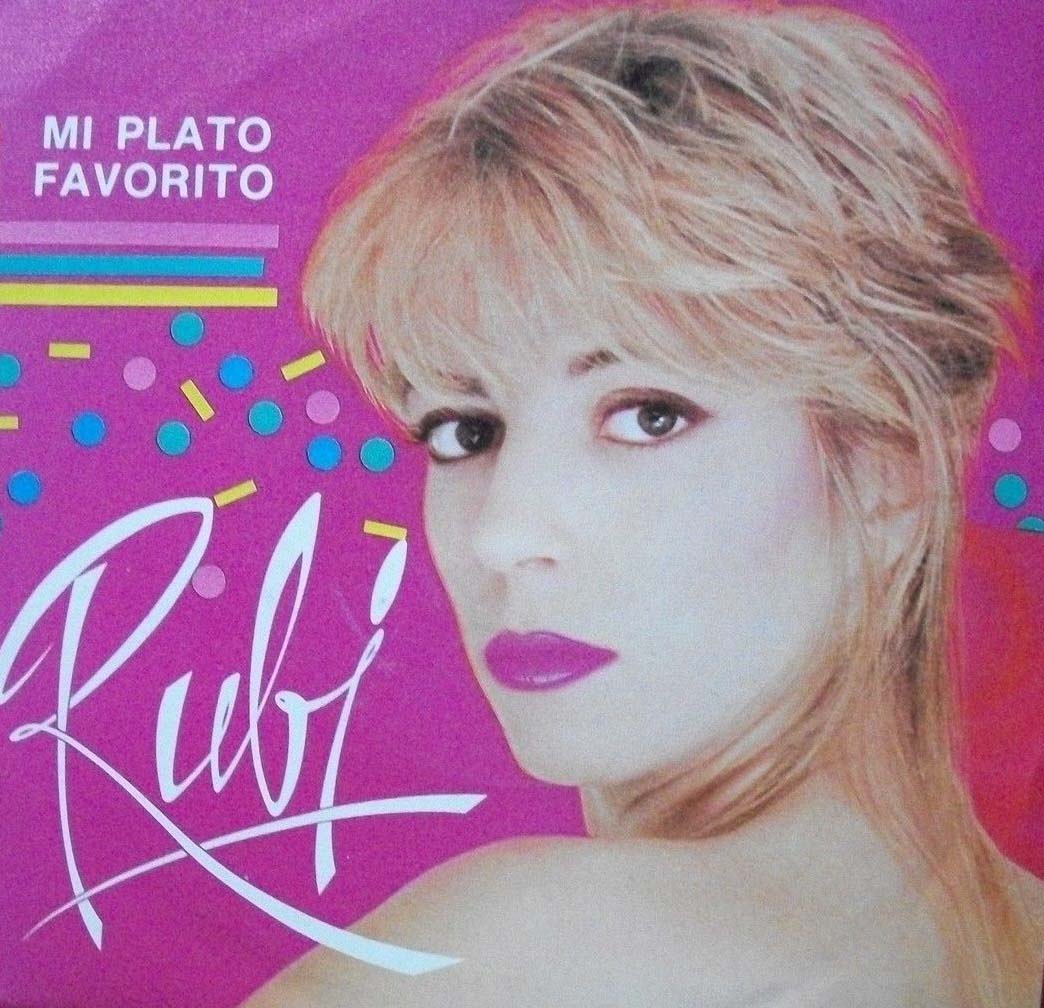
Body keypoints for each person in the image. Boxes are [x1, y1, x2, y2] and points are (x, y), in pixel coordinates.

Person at [242, 2, 1044, 1004]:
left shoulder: (518, 947)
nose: (503, 534)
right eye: (464, 431)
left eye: (648, 416)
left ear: (892, 466)